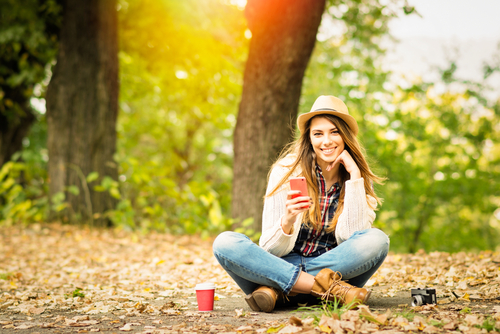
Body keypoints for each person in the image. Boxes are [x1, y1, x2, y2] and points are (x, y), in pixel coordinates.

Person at [213, 95, 389, 312]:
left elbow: (352, 238)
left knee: (377, 240)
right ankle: (328, 289)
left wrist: (354, 177)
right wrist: (287, 220)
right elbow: (269, 249)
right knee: (225, 243)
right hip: (285, 263)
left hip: (326, 266)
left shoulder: (357, 178)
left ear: (346, 136)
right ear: (309, 138)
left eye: (334, 132)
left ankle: (279, 291)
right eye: (318, 134)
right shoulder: (285, 171)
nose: (326, 141)